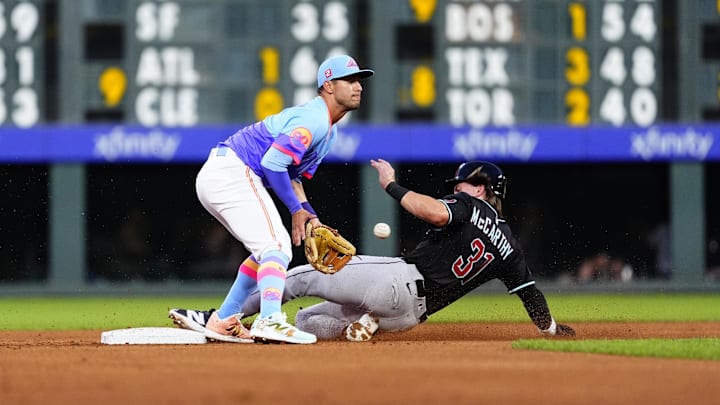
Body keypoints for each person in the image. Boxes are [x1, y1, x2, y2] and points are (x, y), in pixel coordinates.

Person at [170, 160, 575, 341]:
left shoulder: (468, 206)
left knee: (302, 275)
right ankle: (362, 325)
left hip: (399, 281)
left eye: (462, 184)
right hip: (410, 317)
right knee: (309, 321)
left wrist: (392, 186)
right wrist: (551, 329)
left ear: (482, 189)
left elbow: (434, 213)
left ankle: (220, 317)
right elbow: (530, 295)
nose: (456, 188)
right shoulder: (510, 246)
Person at [169, 55, 374, 344]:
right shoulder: (312, 119)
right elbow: (273, 164)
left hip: (226, 174)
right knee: (277, 246)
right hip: (233, 172)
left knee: (265, 251)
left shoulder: (329, 130)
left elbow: (291, 173)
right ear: (328, 85)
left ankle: (224, 319)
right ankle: (270, 319)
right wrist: (294, 209)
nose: (359, 87)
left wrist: (309, 214)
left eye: (360, 81)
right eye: (350, 80)